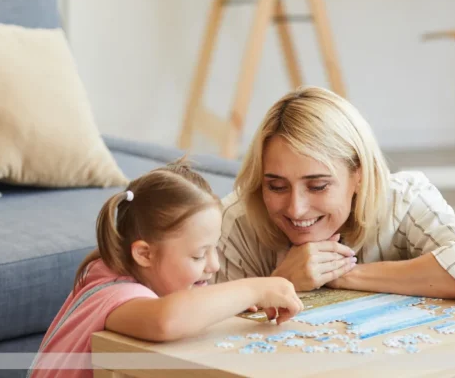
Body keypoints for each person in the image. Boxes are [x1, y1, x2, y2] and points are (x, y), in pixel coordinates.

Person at [214, 87, 455, 303]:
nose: (296, 209)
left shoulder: (404, 199)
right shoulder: (235, 221)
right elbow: (208, 342)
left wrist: (341, 275)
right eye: (276, 186)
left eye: (317, 186)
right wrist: (278, 284)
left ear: (358, 174)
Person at [27, 159, 303, 378]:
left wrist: (225, 303)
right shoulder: (116, 294)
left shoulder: (108, 268)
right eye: (198, 255)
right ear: (144, 254)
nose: (214, 265)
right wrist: (254, 288)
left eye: (214, 248)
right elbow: (166, 320)